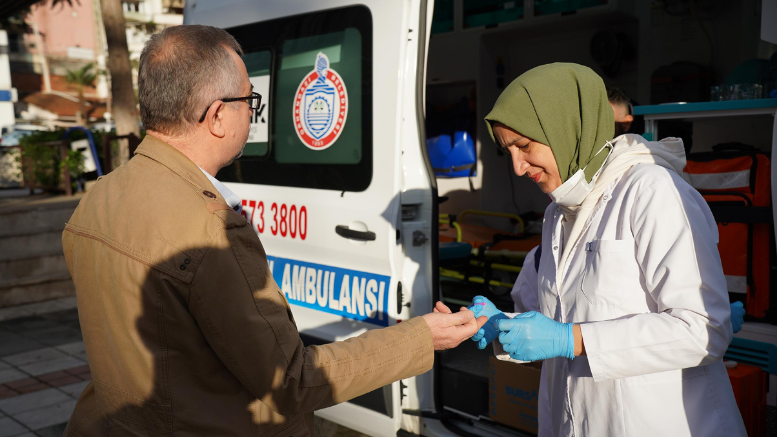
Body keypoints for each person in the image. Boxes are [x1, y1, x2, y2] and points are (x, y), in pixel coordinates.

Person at [61, 25, 485, 436]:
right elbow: (291, 381)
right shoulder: (209, 229)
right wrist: (422, 336)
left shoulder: (99, 196)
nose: (252, 111)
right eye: (250, 100)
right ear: (217, 117)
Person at [472, 63, 746, 436]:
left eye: (524, 145)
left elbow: (705, 329)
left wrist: (573, 340)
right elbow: (558, 318)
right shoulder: (559, 211)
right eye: (509, 152)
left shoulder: (650, 191)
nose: (518, 167)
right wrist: (502, 323)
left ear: (564, 125)